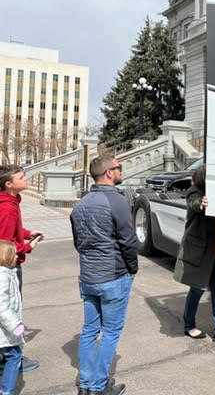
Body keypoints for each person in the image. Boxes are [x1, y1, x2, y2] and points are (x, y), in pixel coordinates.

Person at [70, 155, 138, 395]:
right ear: (109, 172)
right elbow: (128, 240)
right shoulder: (116, 201)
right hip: (112, 275)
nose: (120, 170)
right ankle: (98, 386)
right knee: (110, 331)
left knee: (89, 330)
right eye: (118, 167)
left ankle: (86, 384)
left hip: (88, 275)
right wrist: (132, 268)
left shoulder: (81, 202)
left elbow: (79, 242)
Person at [173, 166, 215, 347]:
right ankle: (189, 325)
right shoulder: (196, 191)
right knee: (197, 289)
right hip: (202, 251)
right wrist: (201, 203)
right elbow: (193, 202)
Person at [0, 164, 42, 372]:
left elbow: (10, 230)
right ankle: (12, 356)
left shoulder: (9, 202)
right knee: (11, 311)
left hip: (5, 265)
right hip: (7, 267)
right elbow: (5, 244)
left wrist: (25, 232)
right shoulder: (7, 207)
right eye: (21, 177)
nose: (26, 179)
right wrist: (29, 245)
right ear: (9, 184)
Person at [0, 240, 26, 395]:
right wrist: (16, 327)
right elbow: (2, 307)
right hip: (5, 328)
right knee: (14, 355)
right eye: (14, 254)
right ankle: (6, 390)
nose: (17, 256)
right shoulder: (3, 277)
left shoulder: (8, 273)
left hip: (5, 328)